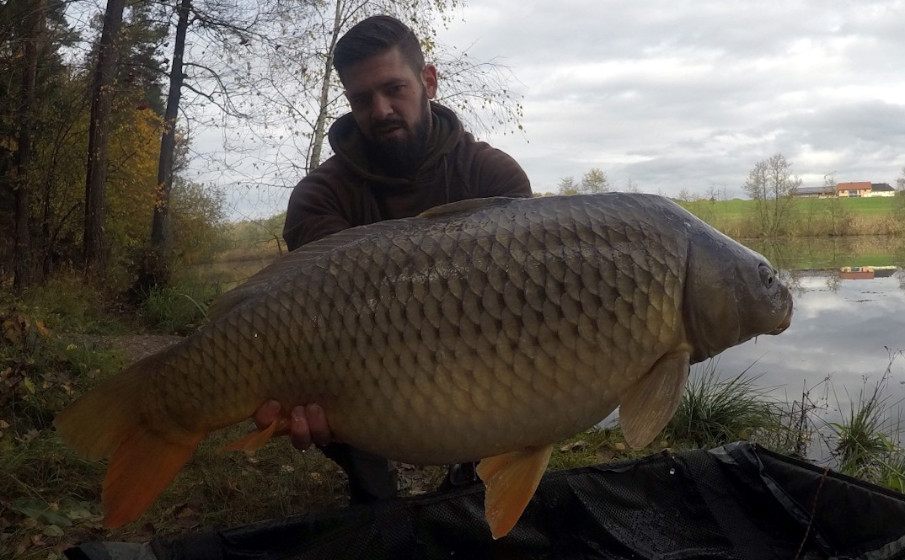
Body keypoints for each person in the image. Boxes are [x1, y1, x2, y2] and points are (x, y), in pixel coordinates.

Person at [253, 14, 532, 504]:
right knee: (330, 390)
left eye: (393, 89)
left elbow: (525, 305)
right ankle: (375, 486)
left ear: (428, 81)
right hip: (363, 370)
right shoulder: (320, 196)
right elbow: (318, 320)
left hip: (479, 360)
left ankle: (468, 476)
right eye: (362, 99)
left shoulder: (492, 176)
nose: (380, 110)